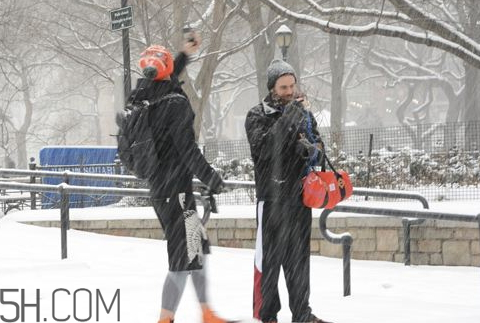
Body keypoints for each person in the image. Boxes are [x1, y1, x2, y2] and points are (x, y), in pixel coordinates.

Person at [129, 33, 231, 323]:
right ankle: (165, 318)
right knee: (180, 258)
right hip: (177, 193)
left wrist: (183, 55)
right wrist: (211, 178)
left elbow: (165, 73)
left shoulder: (143, 96)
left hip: (162, 189)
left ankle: (206, 312)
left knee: (195, 250)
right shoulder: (174, 104)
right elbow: (187, 150)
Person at [245, 59, 331, 323]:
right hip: (271, 200)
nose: (290, 91)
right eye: (283, 87)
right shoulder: (257, 115)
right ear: (272, 88)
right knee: (269, 262)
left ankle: (302, 313)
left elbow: (319, 149)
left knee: (299, 262)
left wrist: (311, 150)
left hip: (298, 199)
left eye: (292, 85)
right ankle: (268, 315)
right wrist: (290, 117)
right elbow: (265, 150)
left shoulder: (303, 113)